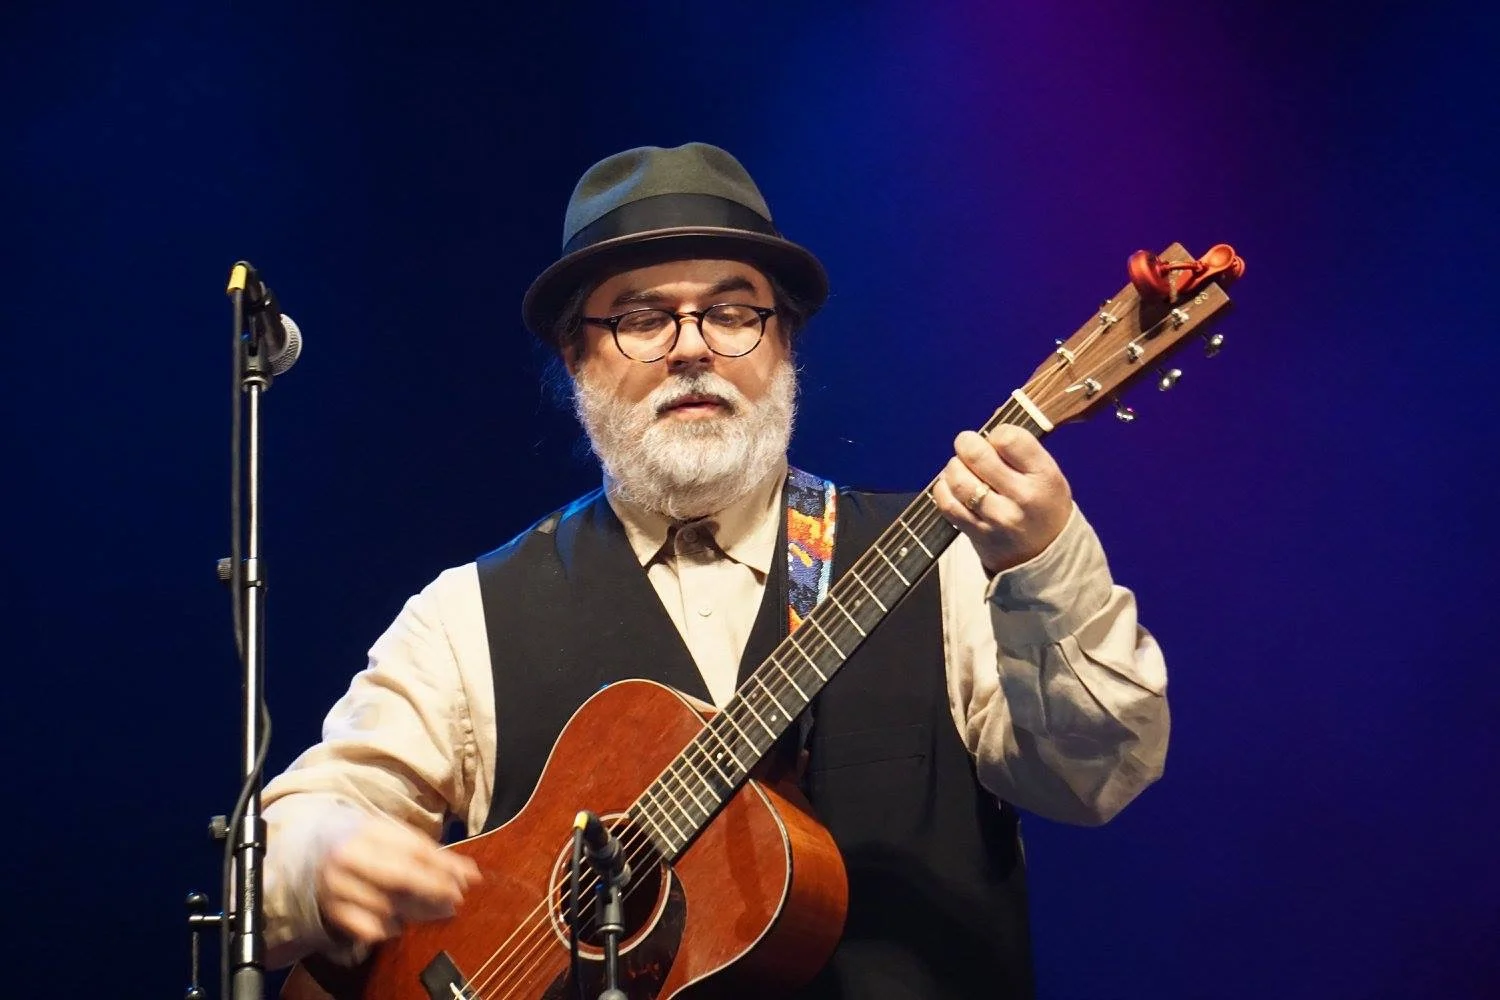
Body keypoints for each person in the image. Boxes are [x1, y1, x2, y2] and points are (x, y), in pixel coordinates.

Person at [261, 141, 1170, 999]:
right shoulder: (467, 617)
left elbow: (1097, 778)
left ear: (782, 348)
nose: (692, 345)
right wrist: (324, 848)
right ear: (576, 359)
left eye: (734, 312)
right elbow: (291, 838)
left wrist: (1046, 562)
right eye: (643, 317)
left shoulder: (955, 561)